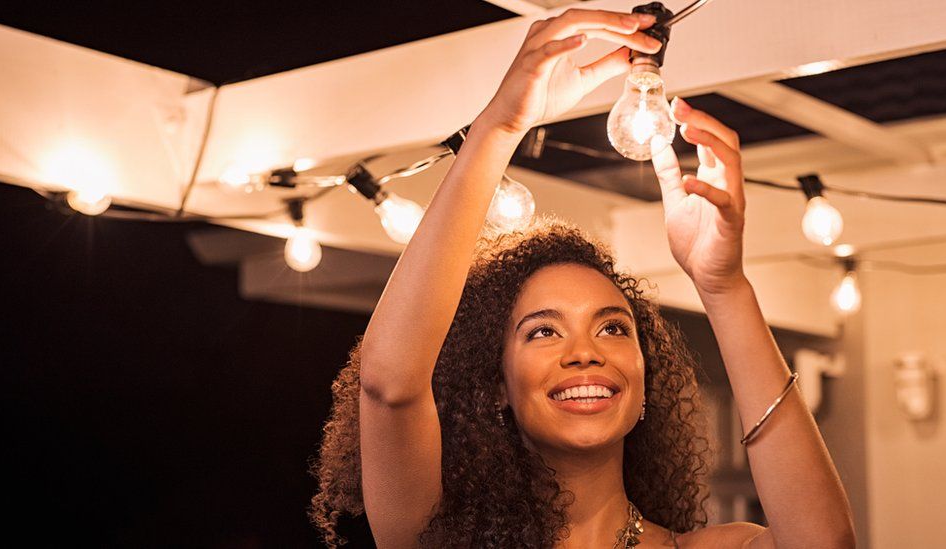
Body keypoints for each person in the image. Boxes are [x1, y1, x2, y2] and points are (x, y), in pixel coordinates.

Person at [310, 8, 856, 548]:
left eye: (613, 328)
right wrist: (500, 127)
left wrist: (723, 287)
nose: (585, 352)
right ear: (497, 382)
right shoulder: (439, 535)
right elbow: (389, 385)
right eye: (544, 331)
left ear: (647, 380)